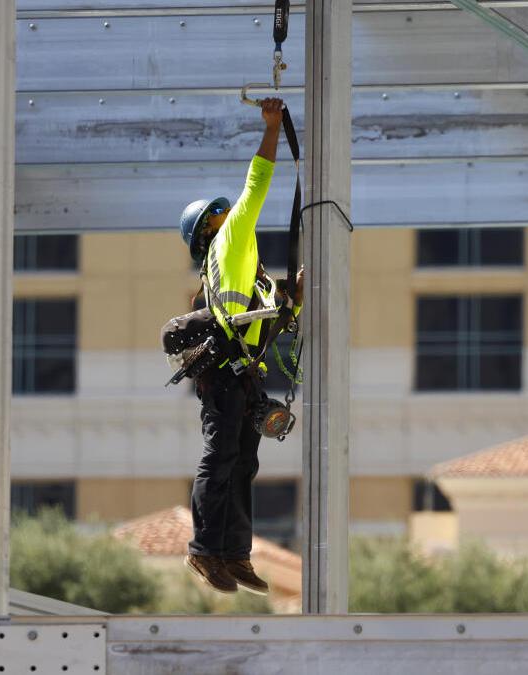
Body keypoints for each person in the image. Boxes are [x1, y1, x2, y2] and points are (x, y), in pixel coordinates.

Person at [178, 97, 303, 595]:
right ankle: (205, 550)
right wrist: (272, 128)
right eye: (220, 214)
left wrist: (291, 300)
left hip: (242, 376)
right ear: (211, 229)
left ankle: (234, 553)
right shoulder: (230, 242)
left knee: (243, 463)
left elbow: (265, 326)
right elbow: (257, 184)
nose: (230, 213)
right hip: (229, 376)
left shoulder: (247, 273)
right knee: (222, 458)